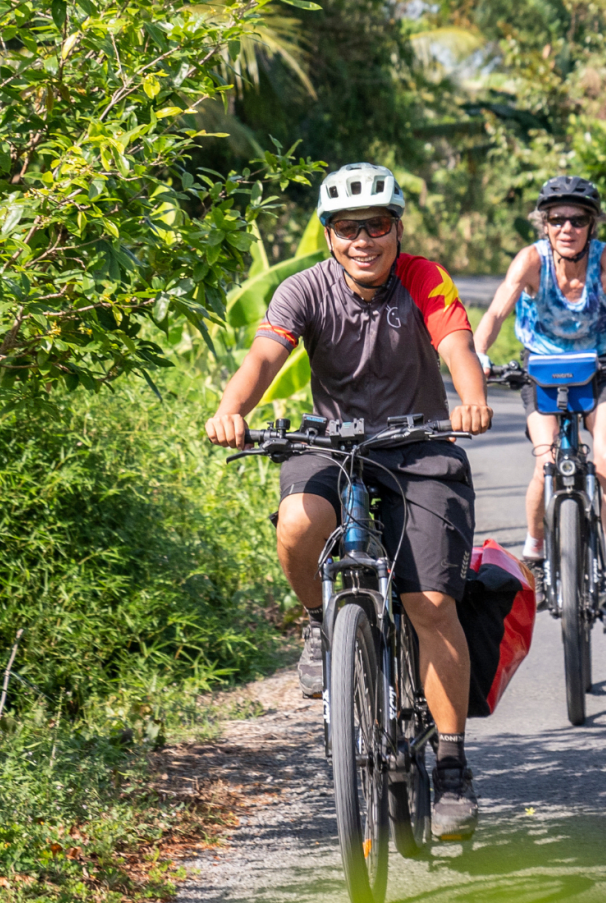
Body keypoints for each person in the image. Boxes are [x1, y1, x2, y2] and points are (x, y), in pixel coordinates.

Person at [205, 163, 492, 839]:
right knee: (300, 520)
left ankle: (450, 765)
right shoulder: (303, 289)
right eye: (347, 228)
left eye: (378, 225)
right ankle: (317, 620)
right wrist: (231, 407)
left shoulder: (425, 278)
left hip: (421, 446)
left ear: (397, 229)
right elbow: (263, 359)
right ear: (330, 235)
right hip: (333, 445)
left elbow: (456, 342)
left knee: (430, 603)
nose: (364, 239)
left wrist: (471, 397)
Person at [472, 176, 606, 629]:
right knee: (546, 462)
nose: (567, 227)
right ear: (544, 224)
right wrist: (479, 353)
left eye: (577, 219)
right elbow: (498, 308)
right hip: (540, 371)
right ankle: (536, 552)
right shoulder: (531, 261)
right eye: (556, 219)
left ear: (591, 225)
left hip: (600, 370)